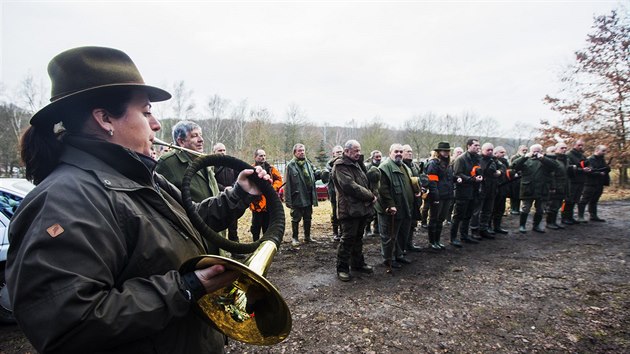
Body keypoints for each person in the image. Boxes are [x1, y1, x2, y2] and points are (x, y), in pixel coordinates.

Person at [6, 46, 271, 353]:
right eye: (146, 112)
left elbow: (190, 223)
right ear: (105, 119)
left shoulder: (140, 177)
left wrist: (239, 194)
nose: (156, 125)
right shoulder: (62, 200)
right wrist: (186, 287)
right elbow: (68, 322)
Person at [331, 140, 377, 281]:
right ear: (347, 151)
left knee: (358, 238)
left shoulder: (356, 164)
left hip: (360, 208)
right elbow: (350, 186)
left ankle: (357, 264)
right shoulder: (340, 166)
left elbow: (364, 182)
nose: (358, 153)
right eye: (356, 150)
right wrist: (370, 196)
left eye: (359, 150)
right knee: (348, 239)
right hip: (349, 209)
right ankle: (342, 269)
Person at [375, 144, 416, 269]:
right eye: (396, 151)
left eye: (400, 151)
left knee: (401, 234)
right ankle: (389, 258)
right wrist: (390, 205)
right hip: (390, 209)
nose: (398, 153)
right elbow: (383, 190)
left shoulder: (404, 167)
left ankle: (399, 255)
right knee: (389, 235)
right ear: (390, 152)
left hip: (404, 207)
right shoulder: (385, 167)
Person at [511, 144, 558, 233]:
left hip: (542, 189)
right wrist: (524, 157)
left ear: (542, 151)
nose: (535, 153)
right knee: (525, 208)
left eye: (538, 151)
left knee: (540, 209)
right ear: (530, 151)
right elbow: (513, 165)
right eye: (534, 151)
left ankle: (536, 226)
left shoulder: (546, 161)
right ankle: (522, 225)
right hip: (528, 188)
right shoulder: (526, 160)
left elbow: (555, 166)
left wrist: (542, 158)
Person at [284, 143, 322, 246]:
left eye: (303, 150)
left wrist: (321, 173)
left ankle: (307, 237)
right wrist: (288, 200)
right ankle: (295, 238)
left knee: (308, 217)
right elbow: (287, 185)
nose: (302, 152)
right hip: (297, 196)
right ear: (295, 152)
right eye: (299, 151)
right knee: (295, 218)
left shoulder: (308, 163)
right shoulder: (290, 165)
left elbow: (314, 175)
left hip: (309, 195)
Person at [450, 138, 483, 247]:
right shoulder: (461, 159)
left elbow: (478, 170)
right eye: (475, 146)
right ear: (468, 146)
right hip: (462, 192)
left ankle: (464, 235)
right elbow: (458, 174)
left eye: (478, 146)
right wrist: (473, 179)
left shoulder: (477, 159)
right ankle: (453, 238)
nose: (478, 147)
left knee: (468, 215)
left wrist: (479, 177)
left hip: (474, 191)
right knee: (458, 216)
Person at [249, 148, 284, 241]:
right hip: (256, 203)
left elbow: (279, 179)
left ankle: (265, 242)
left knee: (267, 225)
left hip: (269, 203)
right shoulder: (251, 169)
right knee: (255, 226)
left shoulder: (271, 169)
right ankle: (255, 243)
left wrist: (273, 188)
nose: (263, 157)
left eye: (264, 155)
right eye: (260, 156)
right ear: (255, 157)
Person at [425, 142, 454, 250]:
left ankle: (437, 240)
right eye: (444, 151)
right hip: (437, 196)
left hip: (447, 195)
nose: (446, 153)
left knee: (441, 219)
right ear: (438, 152)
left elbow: (449, 179)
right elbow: (432, 182)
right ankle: (432, 242)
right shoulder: (434, 164)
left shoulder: (449, 164)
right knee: (434, 219)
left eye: (447, 151)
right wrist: (435, 196)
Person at [470, 142, 500, 239]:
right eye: (488, 150)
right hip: (481, 188)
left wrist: (500, 171)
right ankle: (474, 230)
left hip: (492, 188)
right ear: (483, 150)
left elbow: (503, 167)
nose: (490, 152)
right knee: (477, 211)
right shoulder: (478, 160)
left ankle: (484, 228)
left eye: (492, 150)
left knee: (488, 210)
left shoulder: (494, 160)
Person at [213, 142, 240, 245]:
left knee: (233, 225)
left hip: (232, 197)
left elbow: (238, 177)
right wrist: (224, 188)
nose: (223, 152)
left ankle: (235, 247)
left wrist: (233, 188)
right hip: (217, 198)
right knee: (218, 225)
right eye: (220, 150)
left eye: (224, 150)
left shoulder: (231, 163)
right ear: (214, 152)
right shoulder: (210, 166)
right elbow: (212, 181)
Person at [561, 139, 591, 224]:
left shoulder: (582, 155)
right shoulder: (569, 155)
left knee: (575, 200)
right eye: (579, 145)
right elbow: (569, 168)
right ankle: (564, 217)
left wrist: (589, 168)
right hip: (572, 181)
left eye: (582, 145)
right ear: (574, 145)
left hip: (581, 180)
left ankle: (570, 217)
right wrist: (582, 170)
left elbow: (587, 163)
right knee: (568, 200)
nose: (581, 147)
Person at [578, 145, 610, 222]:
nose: (605, 152)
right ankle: (580, 216)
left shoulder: (602, 159)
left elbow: (605, 168)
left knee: (594, 200)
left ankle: (593, 215)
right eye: (603, 151)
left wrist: (607, 170)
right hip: (590, 183)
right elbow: (589, 171)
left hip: (599, 183)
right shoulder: (589, 159)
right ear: (597, 150)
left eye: (605, 151)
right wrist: (599, 173)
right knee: (584, 200)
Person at [402, 144, 423, 252]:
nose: (410, 153)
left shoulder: (414, 165)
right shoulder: (401, 165)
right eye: (407, 151)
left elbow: (419, 178)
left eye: (411, 151)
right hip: (406, 198)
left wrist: (421, 188)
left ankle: (409, 243)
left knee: (413, 222)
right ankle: (403, 246)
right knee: (404, 224)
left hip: (416, 198)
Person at [545, 143, 570, 230]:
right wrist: (553, 187)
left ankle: (554, 222)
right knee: (552, 205)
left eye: (565, 148)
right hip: (556, 187)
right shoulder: (553, 160)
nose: (564, 149)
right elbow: (552, 175)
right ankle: (549, 222)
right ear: (556, 149)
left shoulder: (565, 160)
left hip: (563, 186)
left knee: (558, 205)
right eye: (562, 148)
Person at [491, 146, 511, 234]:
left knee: (500, 209)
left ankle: (497, 226)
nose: (504, 154)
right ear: (495, 153)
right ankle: (488, 227)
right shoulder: (492, 162)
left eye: (504, 152)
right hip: (494, 188)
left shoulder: (505, 163)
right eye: (501, 152)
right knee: (491, 209)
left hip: (503, 188)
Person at [326, 145, 344, 241]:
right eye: (337, 152)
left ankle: (342, 232)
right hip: (333, 192)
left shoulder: (345, 163)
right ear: (333, 154)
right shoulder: (329, 164)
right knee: (334, 212)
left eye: (341, 152)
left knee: (343, 212)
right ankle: (335, 232)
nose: (339, 154)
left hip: (343, 192)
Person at [364, 150, 382, 237]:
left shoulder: (382, 166)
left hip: (381, 192)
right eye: (376, 157)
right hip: (371, 192)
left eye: (379, 157)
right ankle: (367, 229)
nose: (378, 159)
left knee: (379, 212)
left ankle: (377, 229)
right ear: (372, 158)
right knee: (370, 213)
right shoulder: (368, 167)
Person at [445, 146, 464, 225]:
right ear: (454, 153)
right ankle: (448, 219)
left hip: (461, 185)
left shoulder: (463, 162)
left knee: (459, 203)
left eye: (461, 152)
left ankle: (457, 218)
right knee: (450, 203)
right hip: (451, 186)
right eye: (458, 152)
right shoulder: (450, 162)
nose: (459, 154)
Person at [509, 145, 528, 215]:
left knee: (519, 194)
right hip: (515, 178)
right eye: (523, 150)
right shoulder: (515, 157)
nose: (525, 151)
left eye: (526, 150)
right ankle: (513, 208)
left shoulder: (526, 158)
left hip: (521, 178)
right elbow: (512, 167)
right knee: (514, 194)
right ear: (519, 150)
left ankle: (517, 208)